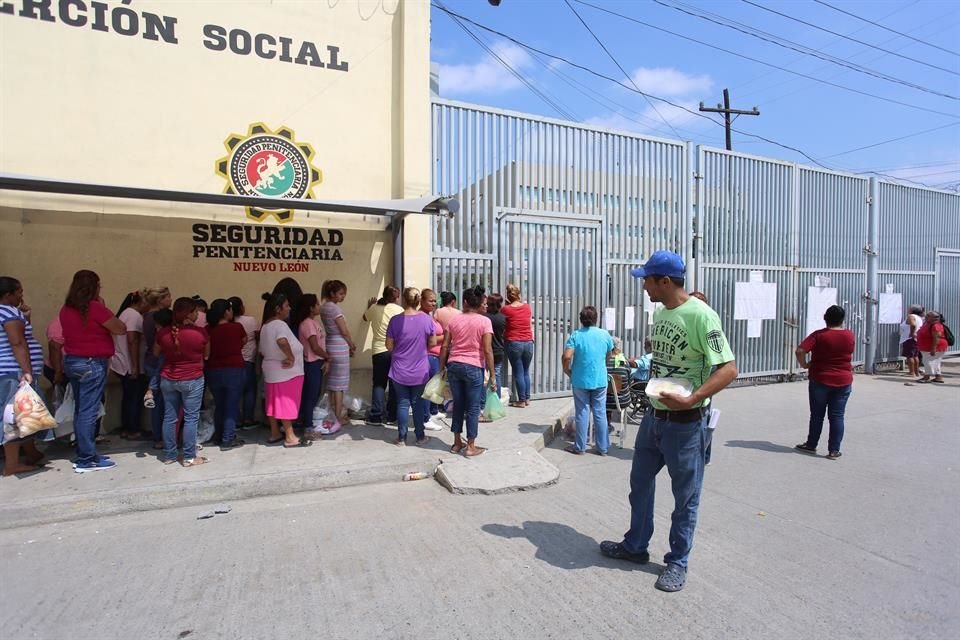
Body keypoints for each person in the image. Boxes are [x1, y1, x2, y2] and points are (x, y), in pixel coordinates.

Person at [600, 251, 736, 593]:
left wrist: (692, 398)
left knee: (685, 497)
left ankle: (678, 561)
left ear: (664, 281)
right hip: (653, 419)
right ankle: (635, 546)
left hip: (687, 424)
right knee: (640, 485)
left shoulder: (702, 317)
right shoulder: (660, 312)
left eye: (646, 279)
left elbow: (729, 369)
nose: (643, 286)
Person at [60, 270, 127, 472]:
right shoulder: (95, 308)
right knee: (88, 412)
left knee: (82, 410)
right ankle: (87, 458)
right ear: (94, 287)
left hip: (73, 361)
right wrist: (103, 307)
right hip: (91, 363)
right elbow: (120, 328)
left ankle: (85, 453)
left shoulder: (66, 309)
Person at [439, 285, 497, 457]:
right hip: (473, 366)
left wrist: (441, 367)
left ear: (465, 302)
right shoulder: (484, 321)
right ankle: (471, 446)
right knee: (472, 408)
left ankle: (457, 443)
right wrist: (493, 374)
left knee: (458, 405)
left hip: (454, 365)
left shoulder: (454, 320)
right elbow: (487, 350)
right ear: (480, 303)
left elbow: (445, 345)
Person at [155, 297, 210, 466]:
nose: (197, 314)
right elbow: (207, 355)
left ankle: (170, 455)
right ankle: (189, 456)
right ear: (189, 314)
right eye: (195, 311)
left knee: (169, 417)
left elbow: (156, 353)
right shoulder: (200, 333)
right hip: (192, 378)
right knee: (191, 418)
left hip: (168, 378)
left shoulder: (163, 333)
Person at [0, 276, 46, 476]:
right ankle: (12, 465)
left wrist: (25, 319)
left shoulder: (9, 313)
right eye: (18, 292)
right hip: (13, 372)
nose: (21, 296)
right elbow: (17, 342)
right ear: (8, 294)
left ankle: (32, 453)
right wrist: (26, 370)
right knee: (14, 417)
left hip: (8, 371)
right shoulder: (8, 313)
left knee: (26, 415)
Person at [385, 287, 437, 446]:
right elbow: (433, 342)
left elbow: (389, 346)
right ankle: (420, 436)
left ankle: (401, 438)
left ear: (403, 300)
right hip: (420, 370)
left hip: (399, 369)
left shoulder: (395, 320)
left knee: (402, 403)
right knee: (418, 404)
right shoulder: (427, 320)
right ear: (419, 300)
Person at [563, 306, 614, 455]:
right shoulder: (604, 335)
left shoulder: (576, 335)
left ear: (581, 320)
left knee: (582, 412)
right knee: (600, 412)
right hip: (599, 378)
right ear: (596, 319)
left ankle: (580, 446)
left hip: (580, 379)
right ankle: (603, 447)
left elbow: (567, 356)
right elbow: (609, 354)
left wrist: (567, 370)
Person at [260, 292, 310, 446]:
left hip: (271, 370)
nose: (289, 308)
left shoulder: (266, 326)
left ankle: (275, 433)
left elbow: (262, 350)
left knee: (274, 402)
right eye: (286, 306)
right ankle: (290, 437)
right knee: (286, 402)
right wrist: (291, 357)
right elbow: (281, 341)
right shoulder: (279, 325)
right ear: (278, 309)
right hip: (286, 372)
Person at [205, 298, 247, 449]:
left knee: (220, 405)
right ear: (226, 312)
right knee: (231, 405)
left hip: (213, 369)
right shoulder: (236, 327)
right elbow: (244, 340)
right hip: (234, 369)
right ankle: (228, 438)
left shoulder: (208, 329)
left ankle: (218, 435)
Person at [111, 290, 150, 441]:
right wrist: (135, 366)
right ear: (140, 302)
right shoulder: (134, 316)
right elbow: (132, 340)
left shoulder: (125, 313)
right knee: (134, 398)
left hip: (121, 363)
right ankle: (133, 429)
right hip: (130, 364)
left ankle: (127, 428)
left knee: (128, 397)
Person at [363, 286, 402, 426]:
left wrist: (370, 306)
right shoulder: (399, 310)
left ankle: (376, 416)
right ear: (396, 298)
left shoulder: (374, 308)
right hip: (396, 350)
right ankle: (392, 416)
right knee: (394, 383)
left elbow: (364, 318)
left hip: (378, 351)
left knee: (379, 384)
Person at [320, 280, 356, 431]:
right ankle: (338, 416)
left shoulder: (323, 308)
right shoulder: (334, 309)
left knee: (331, 383)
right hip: (340, 346)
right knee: (339, 385)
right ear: (332, 293)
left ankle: (331, 413)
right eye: (341, 294)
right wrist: (351, 344)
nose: (343, 297)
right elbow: (344, 330)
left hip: (329, 344)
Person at [293, 294, 329, 435]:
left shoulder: (313, 322)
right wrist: (328, 357)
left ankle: (304, 421)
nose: (319, 306)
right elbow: (314, 347)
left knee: (313, 393)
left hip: (317, 362)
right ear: (311, 307)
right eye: (317, 304)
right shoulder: (307, 324)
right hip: (311, 362)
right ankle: (307, 425)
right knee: (310, 395)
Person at [141, 286, 172, 448]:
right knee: (162, 401)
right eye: (169, 297)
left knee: (159, 401)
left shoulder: (147, 316)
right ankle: (160, 437)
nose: (171, 300)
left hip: (151, 360)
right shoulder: (157, 318)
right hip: (158, 359)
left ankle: (159, 435)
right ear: (161, 300)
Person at [229, 296, 260, 429]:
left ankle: (235, 419)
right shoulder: (251, 320)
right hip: (249, 360)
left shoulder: (228, 323)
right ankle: (248, 419)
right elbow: (258, 336)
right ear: (241, 307)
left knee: (234, 392)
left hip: (233, 361)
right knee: (249, 390)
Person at [502, 283, 534, 408]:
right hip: (528, 342)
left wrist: (507, 305)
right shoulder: (527, 307)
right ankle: (527, 398)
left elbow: (504, 321)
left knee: (518, 372)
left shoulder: (506, 309)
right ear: (519, 294)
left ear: (508, 296)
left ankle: (521, 400)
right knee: (526, 372)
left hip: (514, 342)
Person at [419, 288, 445, 430]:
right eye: (430, 300)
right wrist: (445, 337)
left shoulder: (429, 316)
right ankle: (425, 418)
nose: (434, 303)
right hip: (428, 356)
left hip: (435, 356)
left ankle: (432, 411)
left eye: (435, 300)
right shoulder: (422, 317)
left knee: (434, 386)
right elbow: (430, 340)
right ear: (422, 301)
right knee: (427, 389)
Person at [916, 311, 948, 384]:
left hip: (934, 347)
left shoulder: (936, 325)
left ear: (935, 318)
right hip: (926, 347)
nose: (926, 316)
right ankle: (938, 377)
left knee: (928, 362)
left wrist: (933, 349)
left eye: (928, 316)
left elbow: (936, 338)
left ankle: (927, 376)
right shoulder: (927, 324)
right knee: (935, 362)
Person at [899, 305, 924, 379]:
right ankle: (916, 372)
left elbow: (913, 324)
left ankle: (911, 372)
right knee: (915, 356)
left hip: (909, 339)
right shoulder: (919, 318)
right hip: (916, 339)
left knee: (910, 356)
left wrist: (912, 333)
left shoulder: (911, 316)